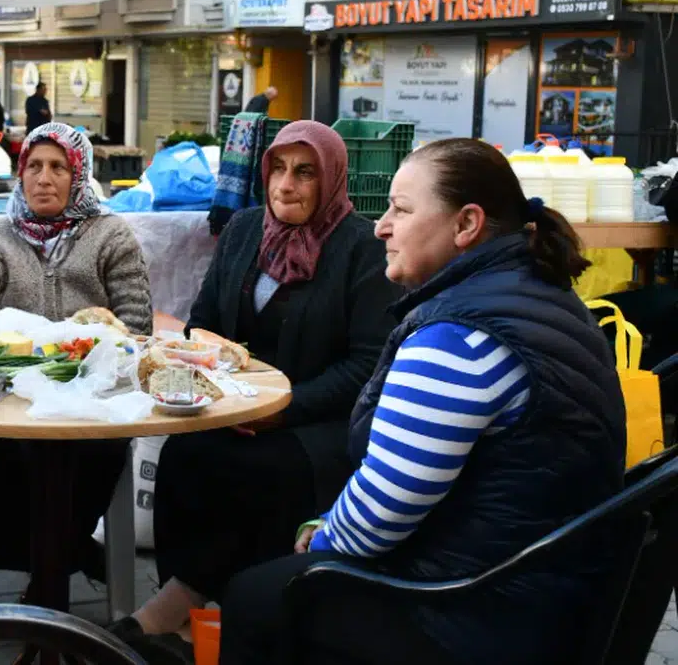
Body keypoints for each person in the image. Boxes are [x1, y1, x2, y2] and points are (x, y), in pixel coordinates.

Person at [219, 138, 626, 665]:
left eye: (401, 209)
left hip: (483, 611)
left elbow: (380, 515)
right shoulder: (533, 293)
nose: (380, 225)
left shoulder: (460, 337)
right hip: (544, 585)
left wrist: (321, 538)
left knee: (258, 597)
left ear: (466, 225)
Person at [113, 121, 402, 659]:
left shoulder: (360, 249)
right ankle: (190, 609)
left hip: (316, 423)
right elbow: (203, 325)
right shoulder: (247, 230)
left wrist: (281, 412)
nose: (285, 185)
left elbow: (366, 365)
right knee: (185, 456)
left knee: (258, 472)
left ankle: (197, 607)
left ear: (332, 179)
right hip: (233, 409)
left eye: (304, 172)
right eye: (278, 169)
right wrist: (205, 380)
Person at [0, 122, 152, 577]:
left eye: (58, 167)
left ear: (78, 175)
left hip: (92, 402)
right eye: (34, 165)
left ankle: (55, 564)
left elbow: (137, 328)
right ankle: (54, 560)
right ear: (20, 174)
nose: (44, 178)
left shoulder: (110, 237)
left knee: (82, 461)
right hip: (13, 398)